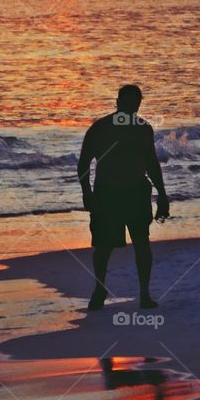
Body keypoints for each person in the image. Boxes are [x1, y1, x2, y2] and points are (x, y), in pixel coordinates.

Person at [77, 85, 170, 311]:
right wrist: (86, 193)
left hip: (136, 193)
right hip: (107, 194)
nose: (130, 108)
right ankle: (99, 289)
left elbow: (151, 164)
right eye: (126, 103)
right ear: (117, 102)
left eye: (135, 103)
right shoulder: (100, 128)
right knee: (103, 246)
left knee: (142, 243)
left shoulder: (144, 129)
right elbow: (84, 163)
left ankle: (144, 294)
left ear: (139, 104)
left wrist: (163, 194)